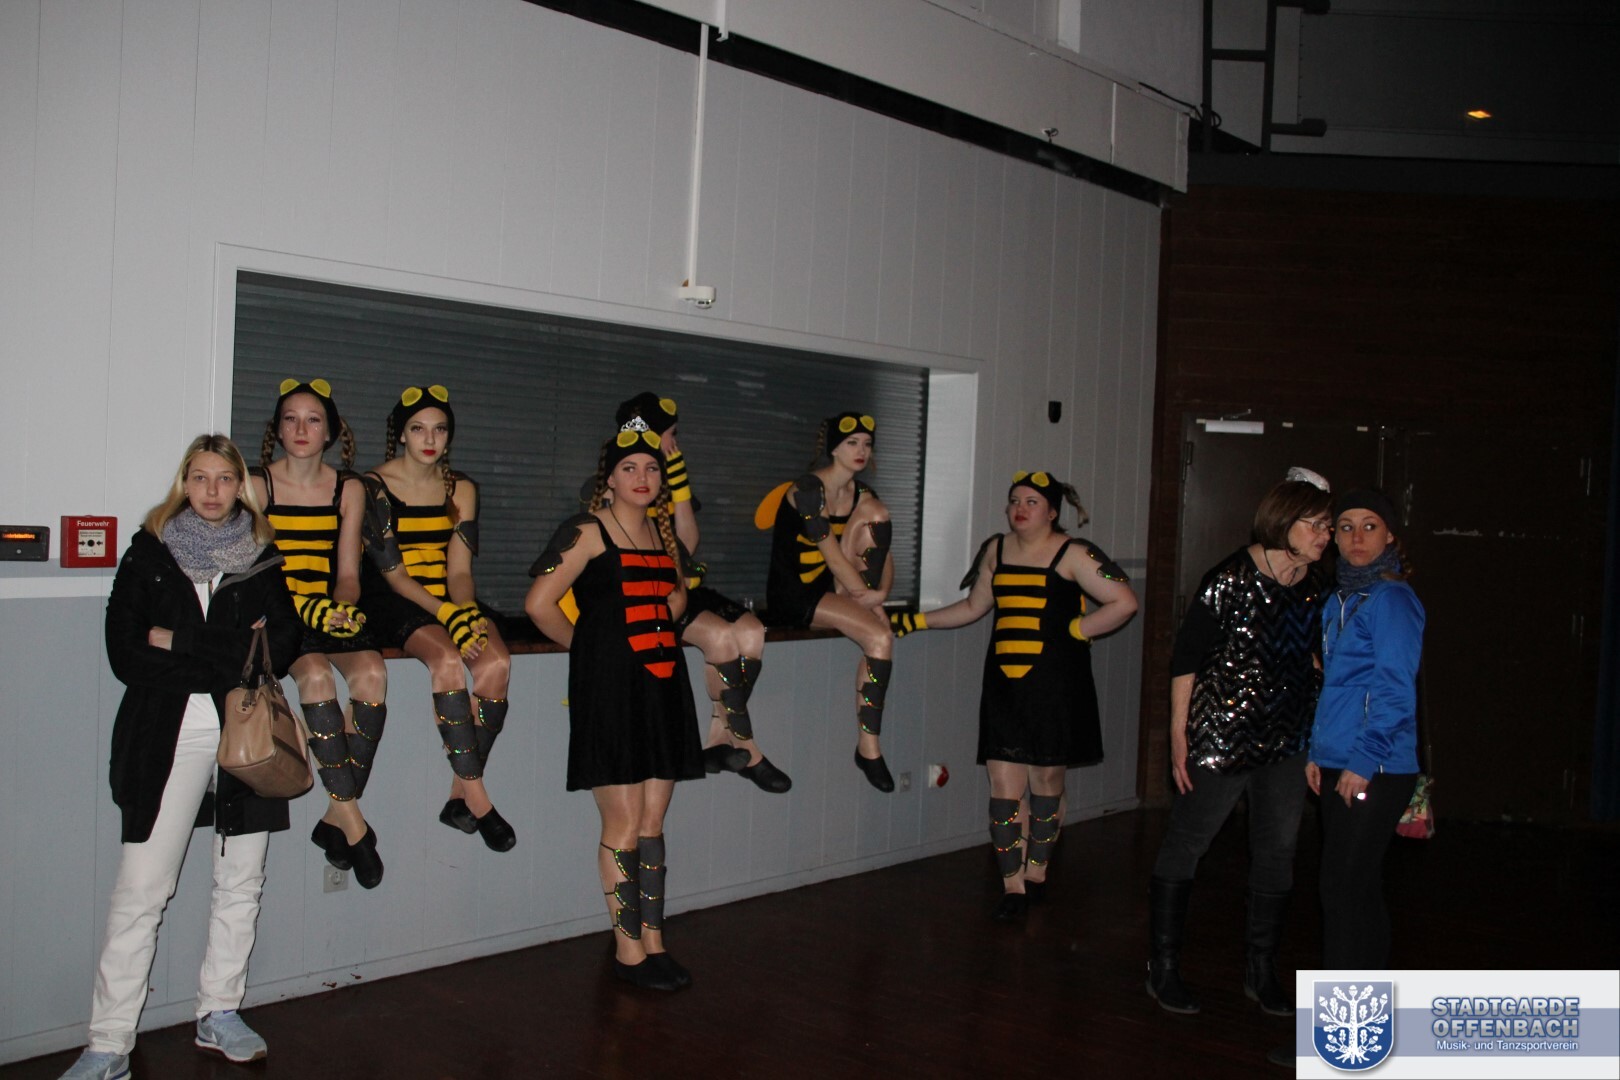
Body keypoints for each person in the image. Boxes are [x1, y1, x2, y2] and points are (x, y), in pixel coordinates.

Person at [59, 434, 299, 1080]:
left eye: (225, 478)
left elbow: (281, 646)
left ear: (241, 486)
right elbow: (125, 653)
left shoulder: (261, 556)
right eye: (200, 477)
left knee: (241, 882)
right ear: (183, 483)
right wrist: (228, 650)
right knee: (141, 889)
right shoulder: (149, 553)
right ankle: (109, 1043)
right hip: (164, 734)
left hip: (249, 736)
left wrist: (180, 640)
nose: (212, 491)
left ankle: (219, 1011)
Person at [889, 470, 1137, 921]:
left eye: (1031, 502)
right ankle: (1013, 886)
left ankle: (1037, 871)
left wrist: (1080, 629)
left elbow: (1124, 602)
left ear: (1052, 511)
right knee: (1003, 789)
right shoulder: (996, 550)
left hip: (1055, 685)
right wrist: (917, 621)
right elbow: (973, 606)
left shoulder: (1074, 553)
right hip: (1004, 683)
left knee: (1046, 783)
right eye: (1014, 500)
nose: (1020, 509)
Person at [1145, 470, 1334, 1016]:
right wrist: (1179, 736)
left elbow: (1316, 658)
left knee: (1278, 851)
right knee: (1188, 842)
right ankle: (1163, 968)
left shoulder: (1317, 586)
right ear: (1284, 521)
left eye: (1328, 526)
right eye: (1315, 524)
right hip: (1221, 736)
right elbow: (1186, 660)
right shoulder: (1228, 579)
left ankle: (1260, 970)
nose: (1325, 536)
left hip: (1289, 738)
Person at [526, 425, 706, 992]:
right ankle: (629, 951)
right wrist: (591, 651)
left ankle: (654, 941)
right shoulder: (587, 530)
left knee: (652, 823)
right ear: (608, 478)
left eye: (651, 468)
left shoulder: (661, 531)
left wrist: (664, 612)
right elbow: (539, 604)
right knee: (623, 823)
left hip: (662, 683)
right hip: (610, 688)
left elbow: (674, 600)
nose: (642, 477)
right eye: (630, 468)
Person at [360, 385, 514, 852]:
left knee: (497, 663)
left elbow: (460, 572)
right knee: (447, 659)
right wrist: (450, 615)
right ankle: (479, 800)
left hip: (447, 597)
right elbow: (395, 576)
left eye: (439, 429)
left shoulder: (461, 488)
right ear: (401, 435)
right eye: (418, 429)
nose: (429, 439)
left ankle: (457, 796)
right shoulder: (372, 485)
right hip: (393, 597)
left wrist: (465, 612)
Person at [615, 392, 790, 793]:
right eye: (672, 434)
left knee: (752, 633)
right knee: (722, 637)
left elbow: (688, 543)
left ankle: (716, 737)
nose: (676, 443)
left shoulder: (666, 478)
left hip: (680, 582)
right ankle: (748, 747)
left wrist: (678, 483)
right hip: (647, 595)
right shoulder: (623, 483)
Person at [250, 379, 386, 888]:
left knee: (372, 673)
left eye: (313, 419)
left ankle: (335, 816)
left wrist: (341, 610)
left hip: (326, 610)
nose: (301, 429)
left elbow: (348, 575)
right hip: (278, 615)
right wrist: (305, 611)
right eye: (290, 418)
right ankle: (352, 822)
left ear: (330, 432)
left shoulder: (348, 488)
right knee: (316, 678)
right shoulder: (257, 485)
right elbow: (248, 570)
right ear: (277, 429)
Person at [1307, 488, 1424, 969]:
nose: (1357, 537)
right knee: (1357, 886)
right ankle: (1368, 1006)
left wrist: (1362, 759)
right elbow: (1336, 686)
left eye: (1370, 526)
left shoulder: (1391, 599)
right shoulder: (1340, 598)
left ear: (1390, 534)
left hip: (1375, 765)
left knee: (1342, 887)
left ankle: (1341, 1011)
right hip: (1340, 759)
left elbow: (1394, 690)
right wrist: (1318, 752)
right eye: (1347, 527)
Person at [759, 412, 896, 791]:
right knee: (880, 638)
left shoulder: (862, 494)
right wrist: (872, 609)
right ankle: (868, 748)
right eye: (852, 443)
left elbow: (885, 556)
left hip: (834, 589)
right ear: (833, 448)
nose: (861, 450)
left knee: (876, 513)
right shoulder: (806, 489)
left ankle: (868, 746)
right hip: (795, 595)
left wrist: (882, 594)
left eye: (867, 444)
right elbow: (832, 556)